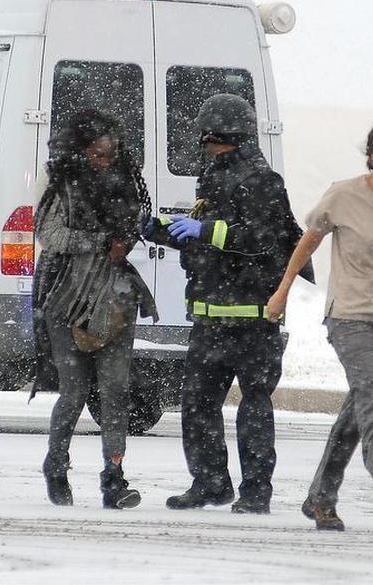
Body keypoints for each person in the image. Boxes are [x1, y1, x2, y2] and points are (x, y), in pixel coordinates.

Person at [266, 115, 373, 537]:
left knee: (358, 412)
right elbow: (308, 241)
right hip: (350, 316)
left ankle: (320, 498)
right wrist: (282, 291)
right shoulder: (341, 195)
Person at [146, 93, 306, 515]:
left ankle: (256, 492)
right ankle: (211, 484)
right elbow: (208, 236)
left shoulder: (261, 180)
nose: (202, 145)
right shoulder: (213, 176)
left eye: (206, 138)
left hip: (253, 319)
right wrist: (159, 230)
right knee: (198, 404)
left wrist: (205, 230)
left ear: (218, 135)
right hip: (209, 316)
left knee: (254, 405)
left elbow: (259, 239)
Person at [33, 109, 157, 509]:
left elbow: (135, 224)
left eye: (111, 153)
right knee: (73, 391)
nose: (106, 160)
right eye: (98, 154)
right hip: (66, 297)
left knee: (116, 391)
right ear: (79, 151)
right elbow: (50, 236)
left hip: (116, 296)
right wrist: (101, 240)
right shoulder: (61, 184)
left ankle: (113, 478)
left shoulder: (125, 182)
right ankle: (56, 465)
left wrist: (126, 239)